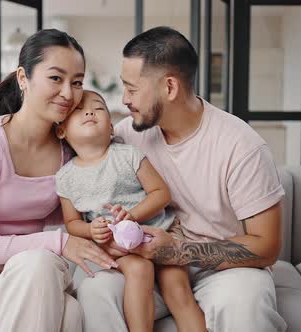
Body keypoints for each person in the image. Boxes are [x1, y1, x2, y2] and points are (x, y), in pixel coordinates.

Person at [76, 26, 288, 332]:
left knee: (246, 305)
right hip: (147, 268)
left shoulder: (241, 146)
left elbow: (266, 246)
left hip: (222, 269)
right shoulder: (125, 136)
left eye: (132, 89)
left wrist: (178, 251)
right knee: (97, 292)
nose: (124, 99)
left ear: (170, 87)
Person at [0, 29, 117, 332]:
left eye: (77, 82)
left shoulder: (69, 151)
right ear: (23, 78)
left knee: (43, 273)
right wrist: (61, 242)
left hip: (30, 270)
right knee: (66, 312)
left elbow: (74, 214)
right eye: (56, 78)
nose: (68, 93)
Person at [55, 90, 207, 332]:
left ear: (112, 128)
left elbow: (161, 193)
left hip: (160, 231)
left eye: (98, 108)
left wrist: (133, 215)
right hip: (119, 246)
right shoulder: (65, 178)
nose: (90, 111)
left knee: (177, 288)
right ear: (61, 130)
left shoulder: (128, 155)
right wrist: (91, 229)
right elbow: (72, 223)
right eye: (78, 110)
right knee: (140, 268)